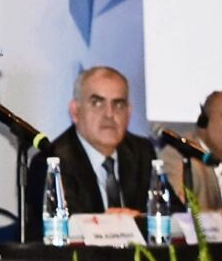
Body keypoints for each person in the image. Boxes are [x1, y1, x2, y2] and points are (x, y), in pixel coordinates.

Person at [25, 66, 156, 240]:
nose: (109, 114)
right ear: (75, 111)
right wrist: (113, 224)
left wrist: (136, 220)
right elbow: (69, 227)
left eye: (118, 104)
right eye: (97, 103)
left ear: (129, 113)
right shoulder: (51, 162)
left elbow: (170, 213)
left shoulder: (142, 152)